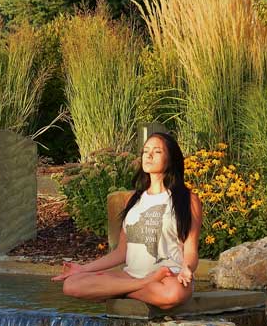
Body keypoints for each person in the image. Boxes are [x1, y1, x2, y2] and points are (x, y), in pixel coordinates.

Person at [52, 132, 202, 309]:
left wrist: (187, 269)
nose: (149, 155)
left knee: (173, 294)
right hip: (132, 277)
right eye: (146, 151)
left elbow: (190, 249)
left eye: (157, 151)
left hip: (169, 277)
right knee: (72, 284)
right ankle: (140, 285)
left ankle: (117, 290)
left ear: (171, 159)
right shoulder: (133, 200)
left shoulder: (187, 199)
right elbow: (121, 252)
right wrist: (83, 269)